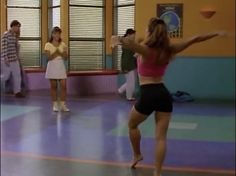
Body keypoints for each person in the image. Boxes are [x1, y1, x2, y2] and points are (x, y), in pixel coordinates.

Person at [111, 17, 225, 176]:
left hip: (148, 94)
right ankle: (157, 172)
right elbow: (195, 39)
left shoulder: (145, 49)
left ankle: (137, 154)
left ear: (150, 31)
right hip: (163, 94)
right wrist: (216, 33)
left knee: (132, 125)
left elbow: (130, 44)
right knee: (161, 138)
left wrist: (117, 39)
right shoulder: (169, 49)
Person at [44, 26, 69, 112]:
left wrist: (61, 53)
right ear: (52, 34)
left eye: (58, 33)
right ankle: (55, 105)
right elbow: (48, 58)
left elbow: (66, 57)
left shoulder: (63, 44)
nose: (57, 35)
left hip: (60, 66)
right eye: (55, 33)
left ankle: (63, 105)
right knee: (53, 86)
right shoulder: (48, 44)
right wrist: (57, 52)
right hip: (52, 66)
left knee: (64, 86)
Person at [1, 20, 25, 97]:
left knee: (17, 75)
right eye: (18, 27)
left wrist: (17, 58)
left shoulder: (15, 35)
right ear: (13, 26)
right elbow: (4, 47)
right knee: (5, 76)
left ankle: (17, 92)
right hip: (7, 60)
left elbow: (16, 47)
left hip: (14, 59)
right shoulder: (6, 35)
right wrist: (5, 58)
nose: (18, 29)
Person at [118, 29, 137, 101]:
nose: (134, 36)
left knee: (130, 81)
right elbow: (126, 57)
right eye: (133, 35)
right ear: (129, 35)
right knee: (131, 82)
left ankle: (121, 90)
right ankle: (129, 96)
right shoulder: (127, 43)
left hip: (130, 64)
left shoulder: (129, 42)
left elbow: (130, 55)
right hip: (128, 65)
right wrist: (125, 67)